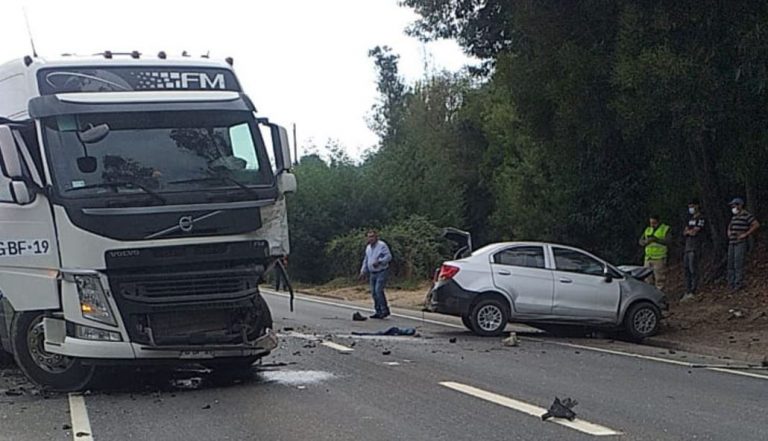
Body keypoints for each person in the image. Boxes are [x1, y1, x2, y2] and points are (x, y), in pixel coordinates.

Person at [727, 198, 760, 291]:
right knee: (730, 263)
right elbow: (730, 225)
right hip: (732, 242)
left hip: (740, 242)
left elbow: (756, 224)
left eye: (734, 206)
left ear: (740, 205)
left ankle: (738, 283)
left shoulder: (746, 215)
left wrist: (745, 234)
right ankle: (731, 283)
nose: (733, 208)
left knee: (738, 263)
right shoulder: (734, 216)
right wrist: (729, 231)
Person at [359, 230, 392, 319]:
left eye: (372, 236)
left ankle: (384, 310)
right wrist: (363, 271)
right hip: (372, 273)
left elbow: (389, 257)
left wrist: (380, 262)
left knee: (378, 290)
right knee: (373, 293)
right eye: (369, 237)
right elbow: (366, 260)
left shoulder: (382, 245)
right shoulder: (368, 248)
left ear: (376, 237)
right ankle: (378, 311)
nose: (371, 239)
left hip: (381, 271)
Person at [681, 199, 706, 302]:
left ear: (697, 206)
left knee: (693, 268)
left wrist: (689, 231)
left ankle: (694, 290)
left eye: (692, 206)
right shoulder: (690, 218)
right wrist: (688, 231)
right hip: (687, 247)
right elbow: (685, 231)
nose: (690, 208)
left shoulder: (701, 218)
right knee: (686, 268)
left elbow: (695, 232)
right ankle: (687, 290)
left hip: (695, 246)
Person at [639, 215, 671, 291]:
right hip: (648, 258)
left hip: (659, 258)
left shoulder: (665, 229)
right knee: (647, 279)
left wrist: (655, 240)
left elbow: (668, 241)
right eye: (651, 223)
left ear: (658, 222)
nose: (652, 225)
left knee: (659, 279)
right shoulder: (648, 229)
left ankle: (660, 297)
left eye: (654, 223)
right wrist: (645, 242)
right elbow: (641, 241)